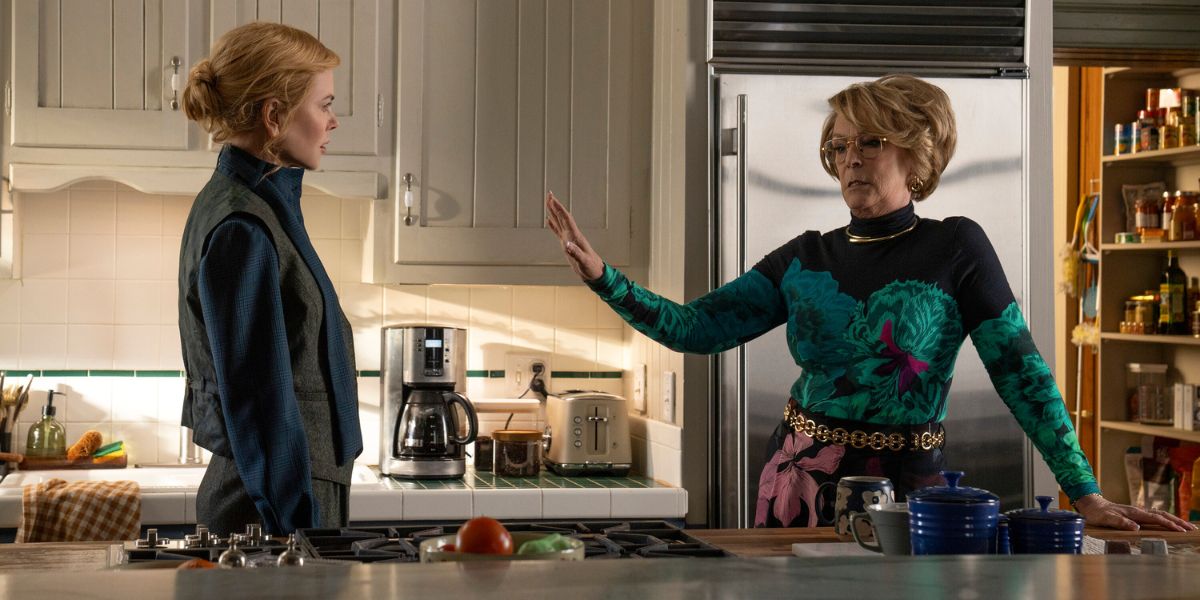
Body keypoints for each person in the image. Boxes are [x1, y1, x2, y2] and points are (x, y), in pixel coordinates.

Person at [545, 74, 1195, 532]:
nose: (850, 159)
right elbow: (697, 328)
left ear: (915, 153)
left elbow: (1022, 374)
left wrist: (1083, 491)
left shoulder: (957, 247)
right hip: (797, 482)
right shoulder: (806, 257)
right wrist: (605, 277)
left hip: (912, 493)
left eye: (869, 142)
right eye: (839, 147)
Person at [177, 22, 362, 535]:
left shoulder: (264, 206)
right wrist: (299, 533)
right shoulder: (243, 226)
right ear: (274, 115)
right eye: (324, 104)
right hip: (270, 513)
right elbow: (261, 407)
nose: (333, 121)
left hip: (285, 497)